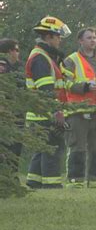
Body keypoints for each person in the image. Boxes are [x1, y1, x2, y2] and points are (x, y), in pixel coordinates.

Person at [25, 16, 71, 189]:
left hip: (39, 115)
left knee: (41, 151)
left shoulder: (43, 56)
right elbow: (46, 91)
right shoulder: (41, 58)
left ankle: (33, 182)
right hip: (45, 115)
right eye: (58, 36)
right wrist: (57, 113)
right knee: (52, 151)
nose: (59, 40)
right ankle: (52, 186)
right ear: (48, 37)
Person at [61, 27, 96, 189]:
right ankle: (76, 181)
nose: (93, 40)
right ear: (80, 41)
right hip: (78, 111)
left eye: (94, 37)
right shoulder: (71, 60)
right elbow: (64, 84)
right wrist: (85, 86)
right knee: (77, 148)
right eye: (89, 38)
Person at [0, 38, 23, 181]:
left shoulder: (16, 67)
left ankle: (12, 178)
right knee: (9, 148)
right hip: (7, 114)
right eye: (17, 50)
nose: (18, 53)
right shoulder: (2, 67)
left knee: (15, 147)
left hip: (15, 112)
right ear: (10, 51)